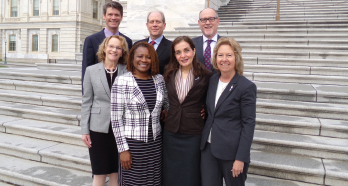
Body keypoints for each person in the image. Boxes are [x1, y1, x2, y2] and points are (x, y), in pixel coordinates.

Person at [111, 42, 169, 186]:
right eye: (140, 56)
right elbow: (116, 119)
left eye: (148, 57)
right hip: (133, 145)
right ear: (132, 59)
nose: (144, 60)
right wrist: (123, 149)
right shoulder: (122, 81)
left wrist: (167, 110)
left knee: (153, 181)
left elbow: (167, 103)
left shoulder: (159, 80)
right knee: (134, 182)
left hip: (155, 143)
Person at [200, 37, 256, 186]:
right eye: (220, 55)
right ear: (215, 58)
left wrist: (241, 158)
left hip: (232, 153)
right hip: (208, 150)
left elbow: (248, 124)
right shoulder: (212, 81)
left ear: (236, 58)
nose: (224, 59)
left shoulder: (246, 87)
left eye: (229, 55)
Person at [162, 36, 212, 186]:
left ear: (194, 51)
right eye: (178, 52)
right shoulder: (169, 73)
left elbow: (210, 99)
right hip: (171, 132)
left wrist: (205, 109)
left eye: (186, 50)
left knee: (190, 174)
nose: (183, 55)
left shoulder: (206, 75)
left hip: (193, 133)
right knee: (170, 174)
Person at [81, 35, 129, 186]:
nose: (114, 50)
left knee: (116, 172)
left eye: (118, 47)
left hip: (121, 129)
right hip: (98, 128)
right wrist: (84, 130)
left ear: (122, 52)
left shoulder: (127, 71)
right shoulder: (91, 71)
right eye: (111, 46)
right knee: (99, 173)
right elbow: (86, 101)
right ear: (104, 48)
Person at [82, 1, 132, 86]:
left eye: (117, 15)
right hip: (99, 92)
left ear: (121, 17)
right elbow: (86, 71)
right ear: (104, 16)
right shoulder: (91, 40)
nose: (113, 18)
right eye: (110, 14)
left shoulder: (128, 41)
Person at [192, 8, 222, 73]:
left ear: (218, 21)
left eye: (211, 19)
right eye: (204, 20)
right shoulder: (191, 44)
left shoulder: (228, 44)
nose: (208, 23)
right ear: (199, 23)